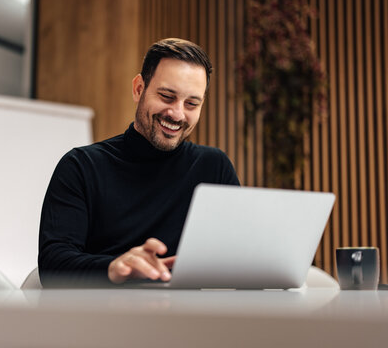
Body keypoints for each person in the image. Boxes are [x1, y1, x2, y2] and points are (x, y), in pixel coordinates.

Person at [38, 38, 240, 287]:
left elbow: (240, 253)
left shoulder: (214, 167)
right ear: (138, 89)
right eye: (167, 96)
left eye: (191, 104)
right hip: (109, 317)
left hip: (191, 318)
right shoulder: (81, 166)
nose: (177, 114)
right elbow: (53, 265)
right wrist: (114, 268)